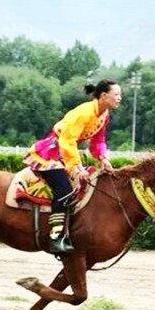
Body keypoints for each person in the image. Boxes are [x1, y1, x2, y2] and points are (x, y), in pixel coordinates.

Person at [23, 79, 122, 254]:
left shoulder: (104, 115)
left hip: (67, 154)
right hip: (52, 153)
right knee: (65, 190)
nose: (119, 98)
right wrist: (76, 168)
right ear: (104, 96)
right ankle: (55, 238)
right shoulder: (83, 113)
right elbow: (67, 141)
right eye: (117, 95)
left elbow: (98, 141)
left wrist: (102, 158)